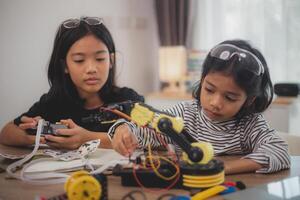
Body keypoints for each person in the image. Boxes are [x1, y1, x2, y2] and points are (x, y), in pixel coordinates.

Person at [108, 39, 290, 174]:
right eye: (209, 89)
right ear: (202, 81)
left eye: (230, 97)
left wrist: (222, 168)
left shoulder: (249, 125)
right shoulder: (184, 113)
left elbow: (279, 151)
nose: (215, 103)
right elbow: (145, 131)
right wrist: (125, 131)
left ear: (248, 100)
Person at [0, 16, 144, 150]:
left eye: (100, 59)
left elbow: (155, 136)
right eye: (79, 60)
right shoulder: (54, 103)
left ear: (111, 61)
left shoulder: (128, 99)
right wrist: (34, 136)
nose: (91, 69)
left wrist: (86, 138)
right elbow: (6, 132)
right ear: (65, 66)